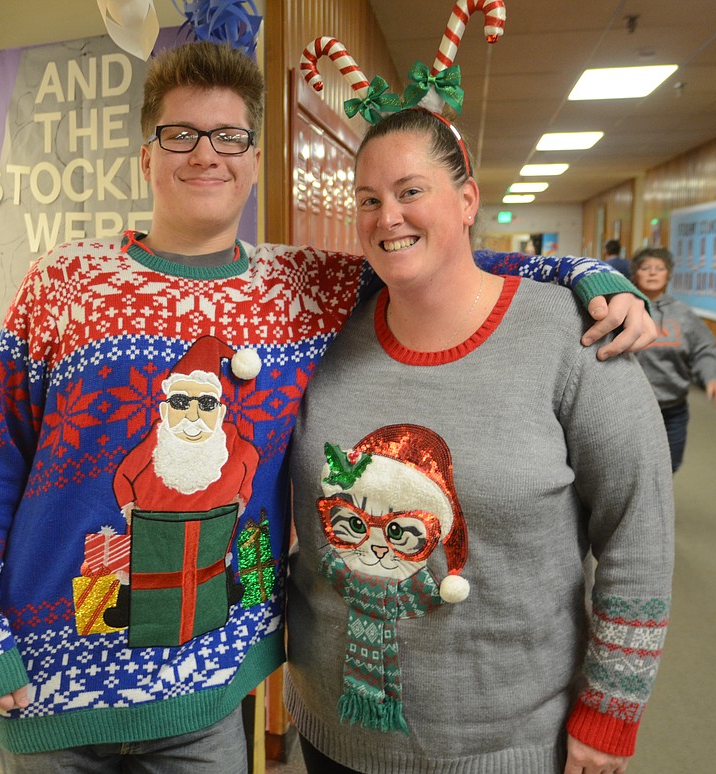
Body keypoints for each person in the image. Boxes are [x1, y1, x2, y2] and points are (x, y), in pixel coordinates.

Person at [0, 41, 656, 773]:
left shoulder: (301, 288)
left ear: (253, 160)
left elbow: (438, 254)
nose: (205, 155)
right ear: (146, 156)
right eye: (180, 134)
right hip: (48, 689)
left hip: (209, 697)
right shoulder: (63, 284)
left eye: (230, 138)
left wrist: (585, 271)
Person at [284, 108, 674, 774]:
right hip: (335, 734)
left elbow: (640, 534)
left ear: (467, 200)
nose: (388, 217)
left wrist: (611, 713)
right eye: (369, 200)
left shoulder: (574, 339)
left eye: (411, 191)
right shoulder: (322, 337)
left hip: (507, 744)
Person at [631, 246, 716, 471]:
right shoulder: (624, 309)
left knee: (669, 466)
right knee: (632, 468)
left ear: (668, 275)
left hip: (673, 409)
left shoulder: (683, 314)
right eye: (646, 268)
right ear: (635, 274)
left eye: (659, 268)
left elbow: (704, 349)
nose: (653, 273)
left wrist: (712, 377)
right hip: (631, 408)